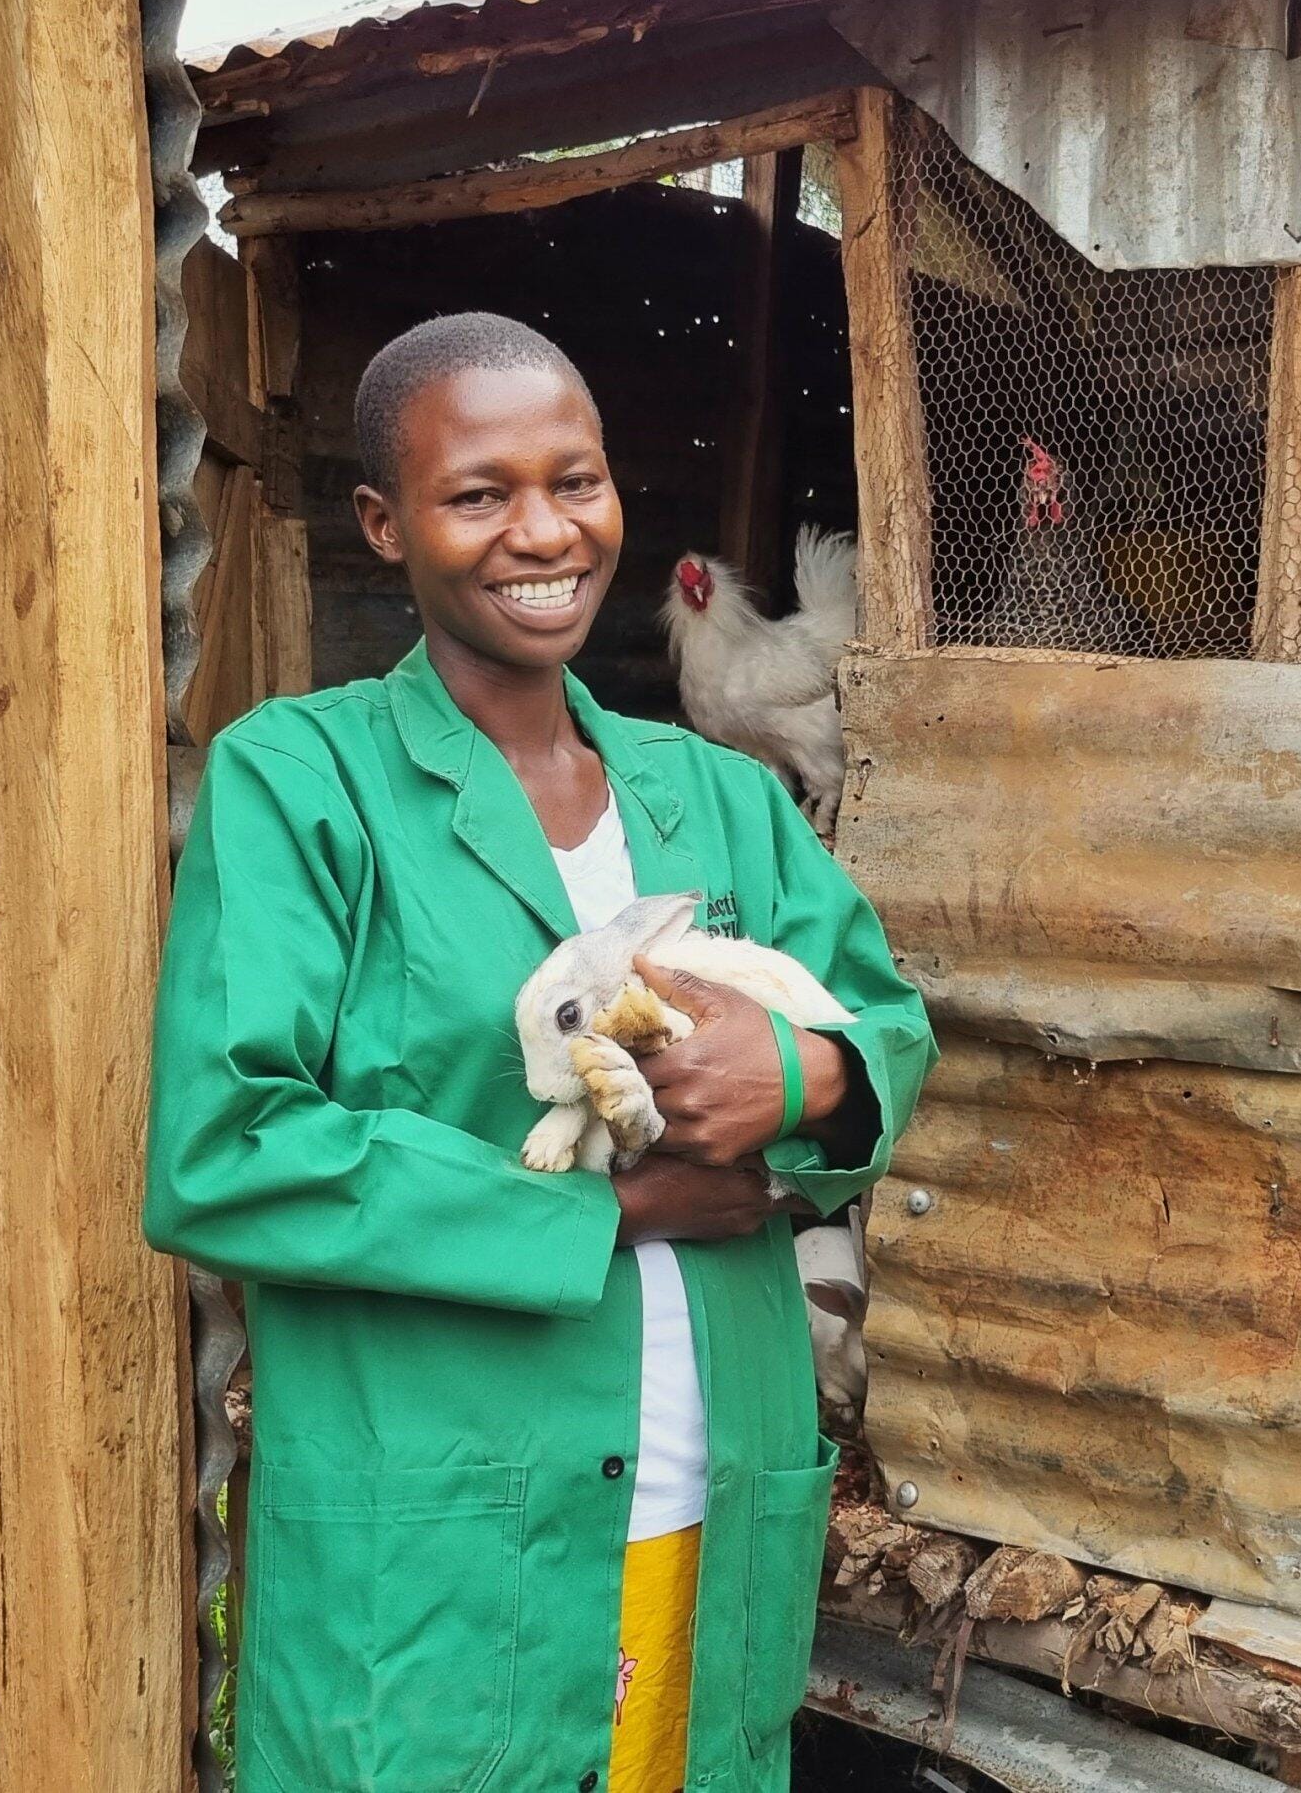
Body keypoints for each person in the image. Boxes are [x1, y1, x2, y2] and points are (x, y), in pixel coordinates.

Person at [145, 312, 936, 1793]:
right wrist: (611, 1207)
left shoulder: (721, 794)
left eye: (575, 480)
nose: (542, 531)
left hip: (709, 1510)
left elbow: (883, 1022)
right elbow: (224, 1155)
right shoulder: (302, 782)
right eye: (478, 493)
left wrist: (808, 1075)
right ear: (383, 523)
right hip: (444, 1538)